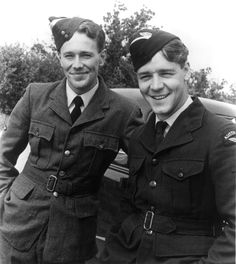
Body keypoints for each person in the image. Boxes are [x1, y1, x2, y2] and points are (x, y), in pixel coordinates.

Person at [0, 16, 143, 264]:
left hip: (74, 237)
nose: (77, 64)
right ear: (59, 58)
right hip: (18, 227)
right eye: (69, 56)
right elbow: (3, 156)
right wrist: (6, 200)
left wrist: (128, 223)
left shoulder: (123, 112)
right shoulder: (36, 95)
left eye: (86, 55)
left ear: (102, 57)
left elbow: (146, 174)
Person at [99, 28, 236, 263]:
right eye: (145, 76)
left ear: (186, 72)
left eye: (165, 73)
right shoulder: (141, 135)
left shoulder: (219, 136)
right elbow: (130, 208)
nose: (155, 86)